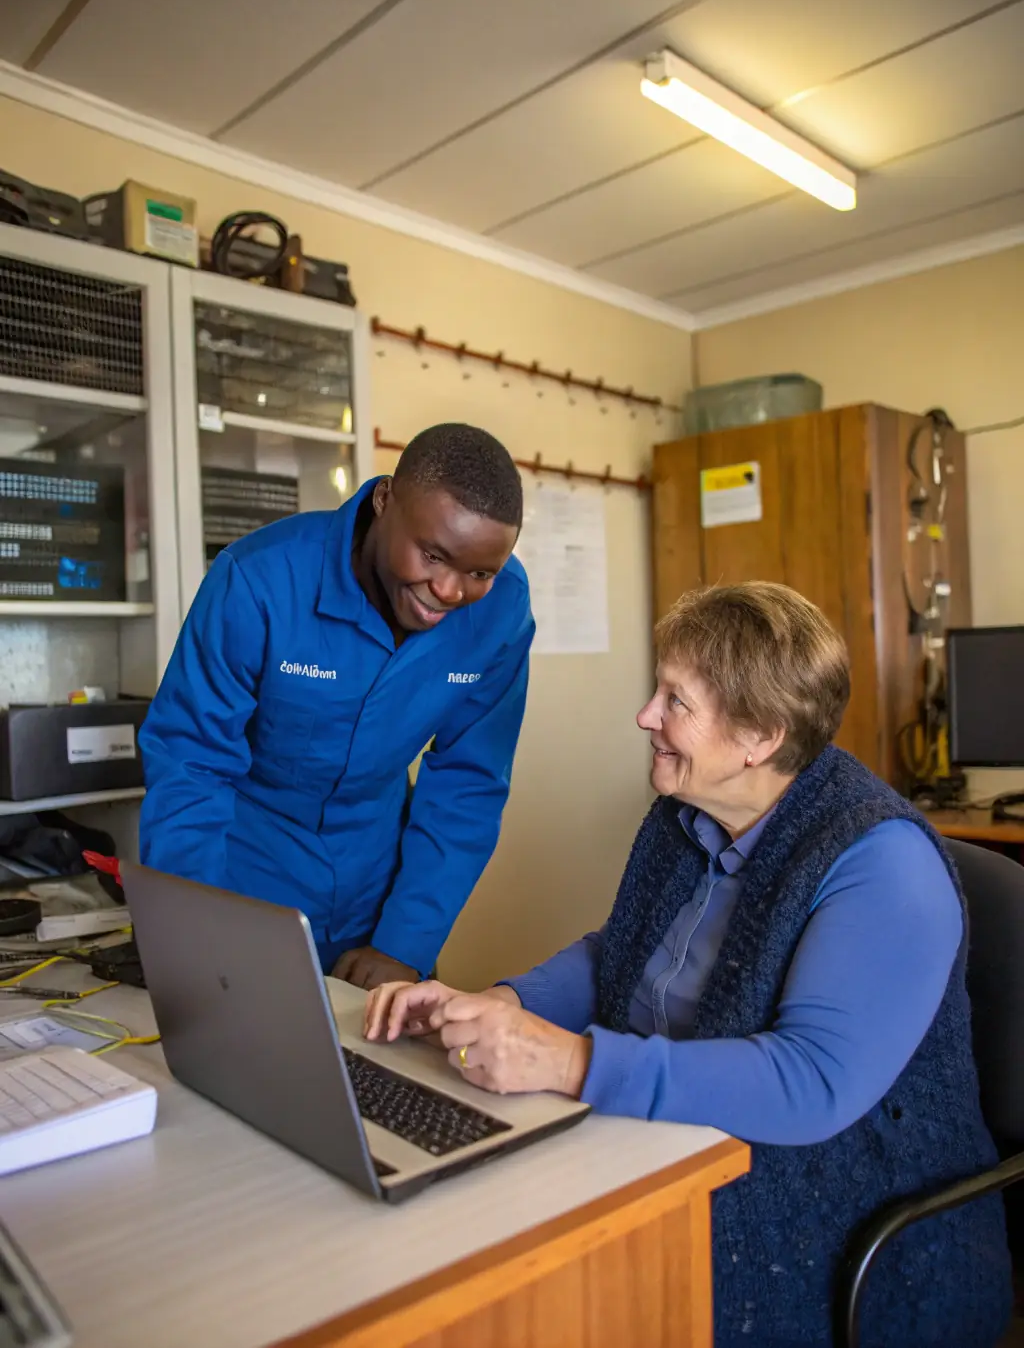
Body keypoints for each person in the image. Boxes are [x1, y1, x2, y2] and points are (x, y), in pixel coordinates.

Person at [365, 582, 1013, 1348]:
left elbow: (808, 1084)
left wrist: (573, 1063)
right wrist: (502, 1001)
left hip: (855, 1209)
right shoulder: (689, 813)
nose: (646, 716)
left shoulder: (884, 864)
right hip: (675, 1139)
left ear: (760, 737)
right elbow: (622, 953)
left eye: (676, 700)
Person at [139, 422, 533, 990]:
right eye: (432, 555)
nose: (449, 591)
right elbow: (192, 762)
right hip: (246, 873)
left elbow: (468, 784)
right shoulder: (260, 579)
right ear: (384, 501)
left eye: (479, 573)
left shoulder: (503, 611)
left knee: (382, 1075)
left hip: (381, 892)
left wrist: (405, 943)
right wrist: (198, 934)